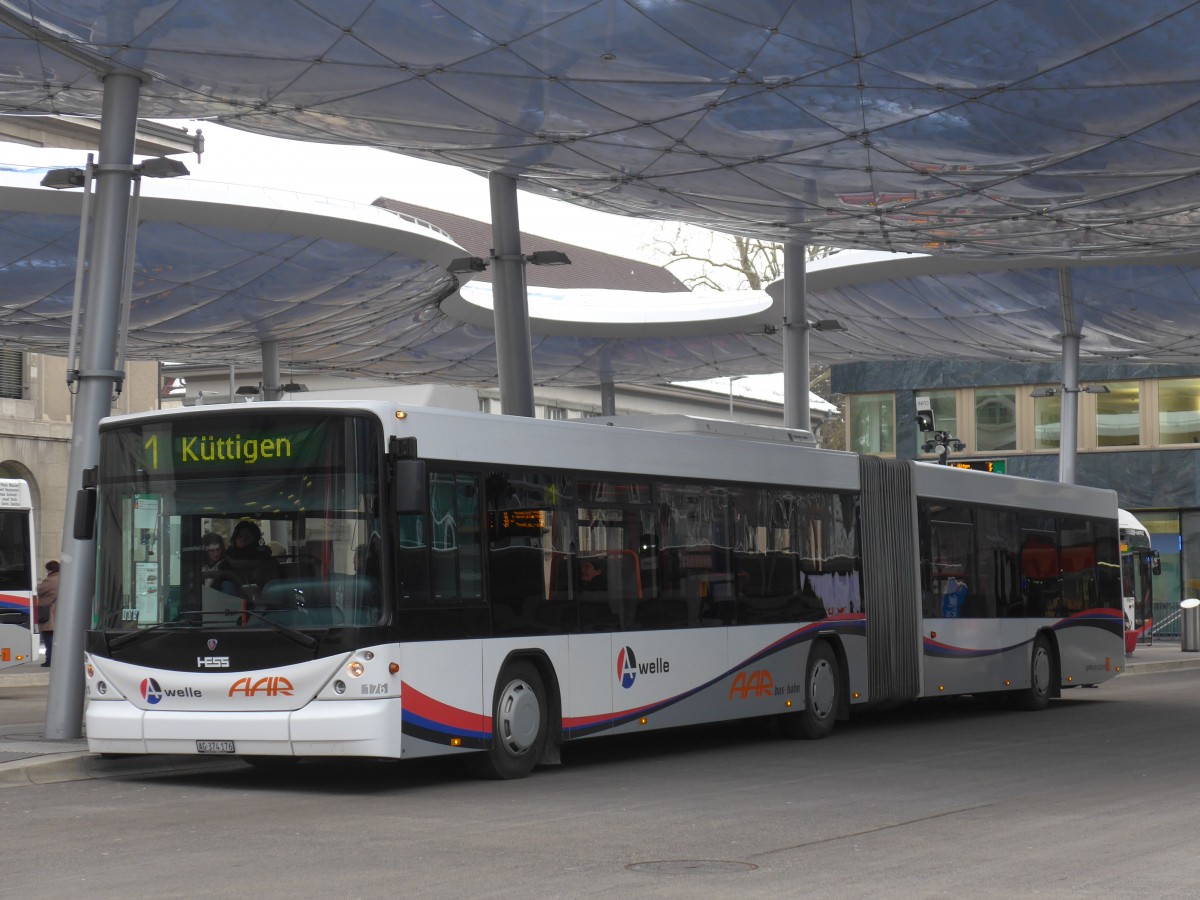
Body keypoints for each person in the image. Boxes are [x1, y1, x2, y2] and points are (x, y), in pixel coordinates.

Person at [36, 560, 59, 667]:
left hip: (50, 615)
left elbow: (39, 590)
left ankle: (49, 660)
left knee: (49, 639)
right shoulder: (66, 579)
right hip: (61, 615)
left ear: (49, 570)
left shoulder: (49, 582)